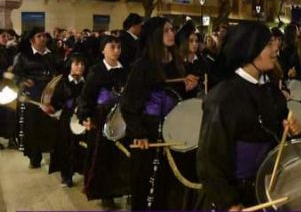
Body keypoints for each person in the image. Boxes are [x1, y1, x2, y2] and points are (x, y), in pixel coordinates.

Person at [197, 21, 301, 211]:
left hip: (270, 189)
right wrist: (228, 201)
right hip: (237, 195)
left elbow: (280, 134)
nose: (276, 48)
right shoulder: (223, 96)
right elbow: (209, 158)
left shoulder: (271, 89)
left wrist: (293, 129)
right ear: (250, 48)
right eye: (268, 44)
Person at [120, 17, 198, 210]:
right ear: (155, 35)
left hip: (175, 131)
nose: (172, 34)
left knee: (173, 186)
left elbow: (181, 97)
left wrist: (190, 87)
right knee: (150, 185)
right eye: (166, 31)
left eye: (172, 30)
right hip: (150, 130)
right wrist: (139, 133)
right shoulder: (143, 66)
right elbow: (128, 103)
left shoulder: (178, 62)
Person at [76, 35, 129, 209]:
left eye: (118, 47)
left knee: (120, 157)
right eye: (112, 47)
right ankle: (105, 194)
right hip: (101, 118)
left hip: (121, 117)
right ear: (103, 50)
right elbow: (86, 97)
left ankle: (121, 189)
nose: (116, 50)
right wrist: (86, 116)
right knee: (103, 157)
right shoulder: (96, 71)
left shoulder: (125, 70)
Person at [12, 27, 60, 168]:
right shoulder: (23, 56)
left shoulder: (51, 55)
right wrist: (23, 80)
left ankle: (50, 153)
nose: (43, 38)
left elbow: (59, 71)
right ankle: (34, 157)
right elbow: (14, 75)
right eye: (39, 36)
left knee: (48, 127)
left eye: (44, 36)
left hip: (48, 95)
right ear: (32, 39)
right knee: (32, 128)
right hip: (31, 97)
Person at [47, 53, 87, 187]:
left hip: (81, 119)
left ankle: (81, 171)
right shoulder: (62, 82)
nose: (80, 67)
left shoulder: (86, 82)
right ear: (70, 65)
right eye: (76, 64)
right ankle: (66, 175)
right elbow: (55, 102)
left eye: (82, 64)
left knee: (80, 146)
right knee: (65, 147)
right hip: (66, 118)